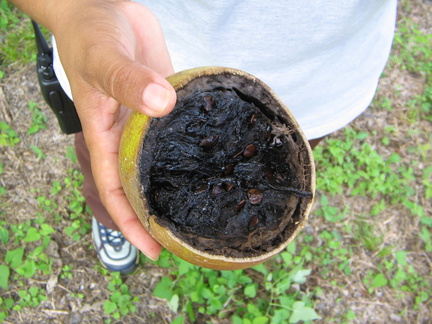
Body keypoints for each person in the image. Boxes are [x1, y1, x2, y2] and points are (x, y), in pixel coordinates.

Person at [9, 0, 397, 274]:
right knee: (104, 175)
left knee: (282, 161)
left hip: (321, 81)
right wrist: (70, 9)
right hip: (118, 54)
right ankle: (109, 223)